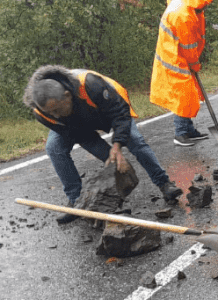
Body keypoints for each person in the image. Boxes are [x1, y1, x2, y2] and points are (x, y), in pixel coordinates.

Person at [23, 65, 183, 224]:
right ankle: (78, 202)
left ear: (67, 95)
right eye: (51, 113)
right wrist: (111, 157)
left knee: (134, 140)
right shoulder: (42, 111)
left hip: (107, 111)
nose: (55, 115)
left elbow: (120, 115)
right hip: (77, 125)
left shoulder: (90, 84)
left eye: (57, 109)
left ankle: (164, 184)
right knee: (54, 148)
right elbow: (84, 137)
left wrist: (117, 145)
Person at [151, 0, 214, 147]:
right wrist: (194, 65)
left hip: (176, 52)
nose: (207, 6)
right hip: (173, 57)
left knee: (187, 93)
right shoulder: (183, 15)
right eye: (206, 4)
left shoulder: (189, 5)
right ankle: (180, 133)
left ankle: (188, 130)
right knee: (183, 95)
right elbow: (188, 46)